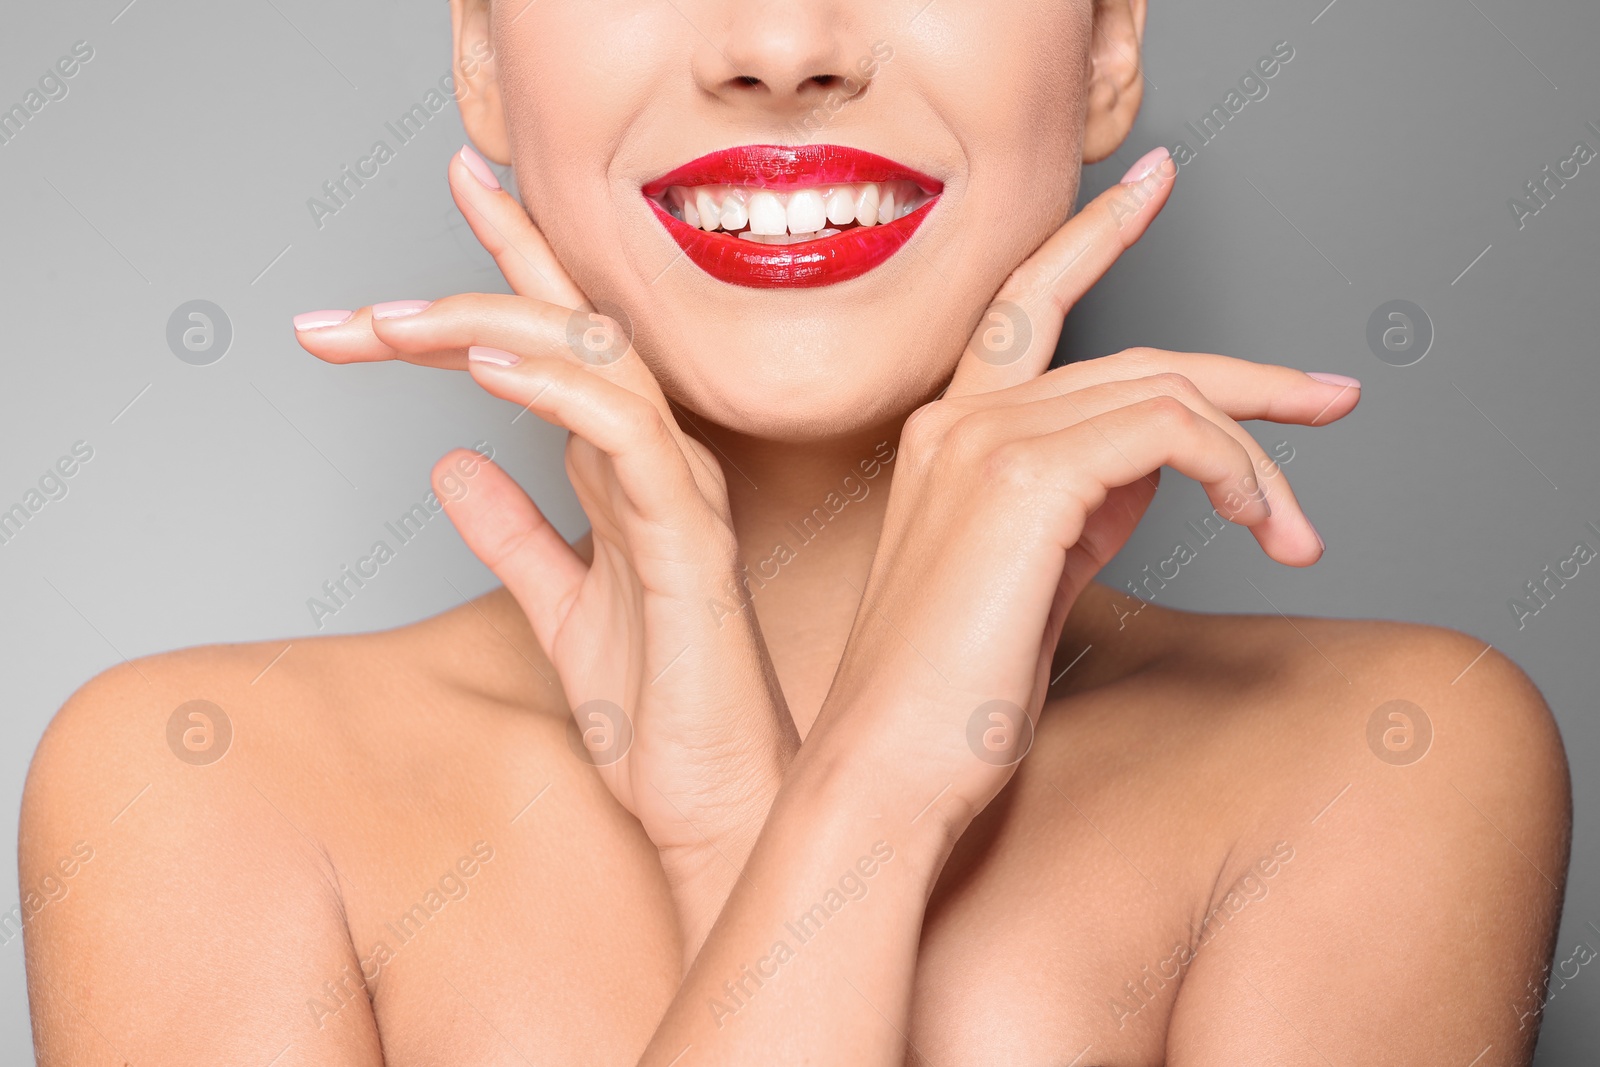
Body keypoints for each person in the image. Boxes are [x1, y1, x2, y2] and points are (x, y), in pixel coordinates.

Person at [22, 1, 1570, 1063]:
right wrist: (835, 820)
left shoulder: (1385, 755)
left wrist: (829, 812)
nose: (780, 49)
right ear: (482, 54)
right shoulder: (196, 782)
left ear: (1107, 46)